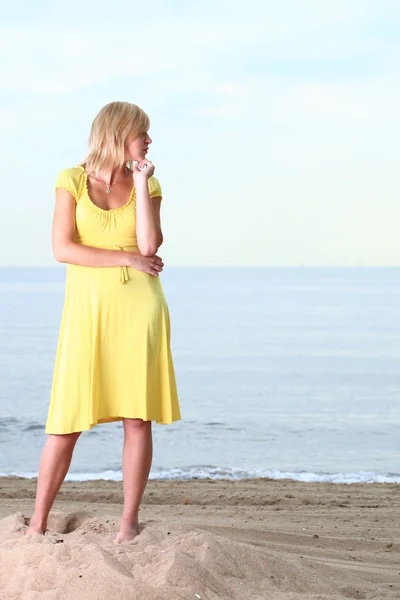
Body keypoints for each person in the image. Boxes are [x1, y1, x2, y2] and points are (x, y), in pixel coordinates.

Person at [26, 101, 181, 544]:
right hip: (87, 313)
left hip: (140, 309)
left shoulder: (147, 184)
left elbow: (151, 243)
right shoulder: (71, 180)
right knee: (66, 419)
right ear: (118, 133)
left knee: (137, 418)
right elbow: (64, 248)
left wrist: (142, 179)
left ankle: (129, 523)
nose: (149, 141)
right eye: (142, 134)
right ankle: (37, 523)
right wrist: (128, 257)